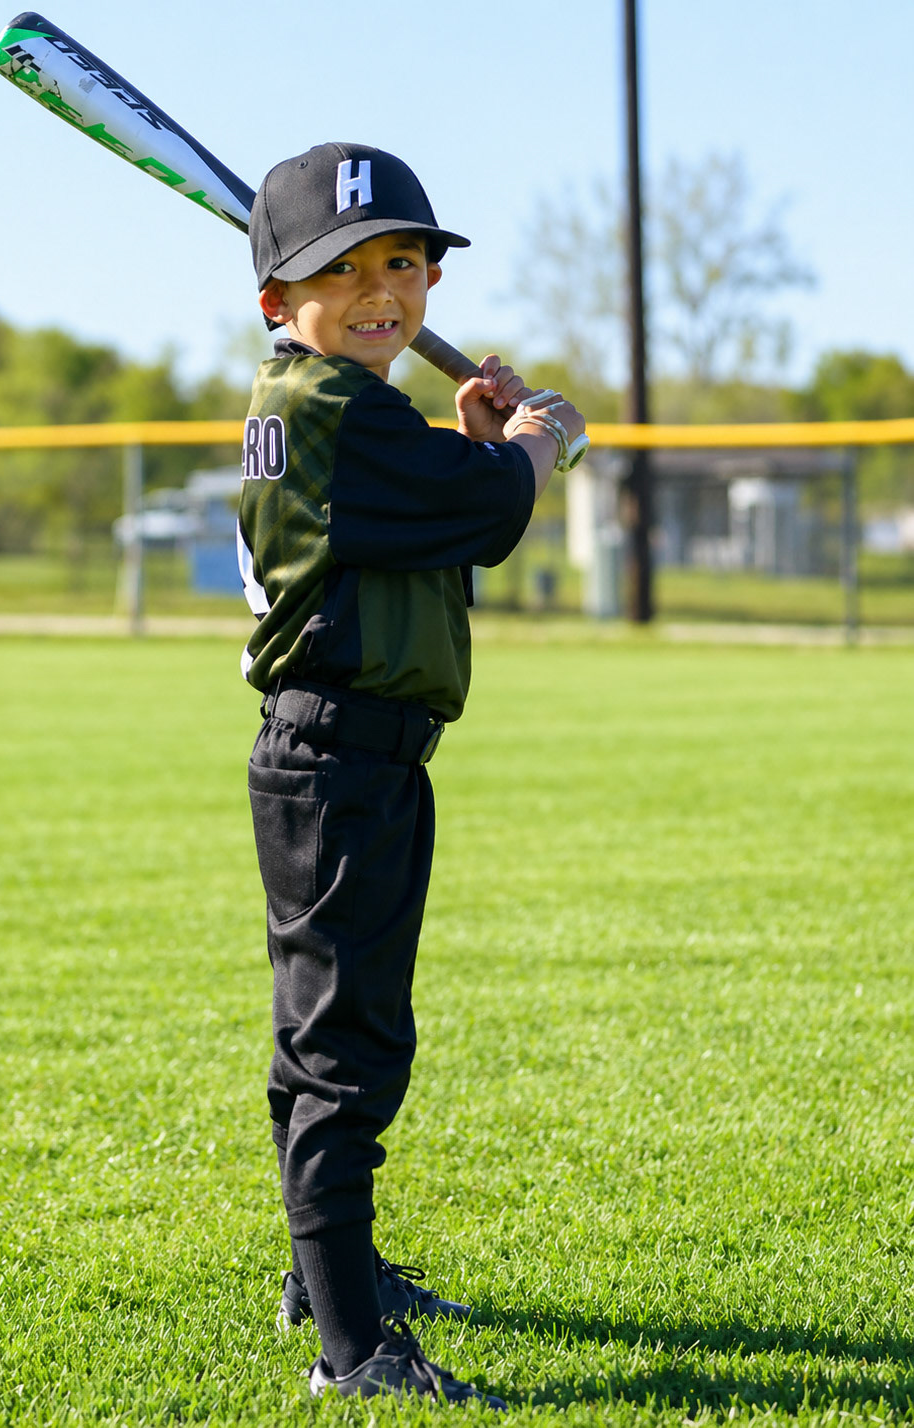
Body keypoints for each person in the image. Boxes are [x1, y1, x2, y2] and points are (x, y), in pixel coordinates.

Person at [236, 142, 585, 1409]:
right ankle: (354, 1352)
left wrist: (477, 441)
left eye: (404, 262)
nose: (383, 290)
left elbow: (431, 505)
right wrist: (538, 440)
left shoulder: (325, 402)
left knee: (327, 1039)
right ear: (278, 299)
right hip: (343, 760)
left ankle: (330, 1280)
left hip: (343, 755)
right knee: (348, 1053)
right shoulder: (334, 407)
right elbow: (485, 513)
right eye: (342, 270)